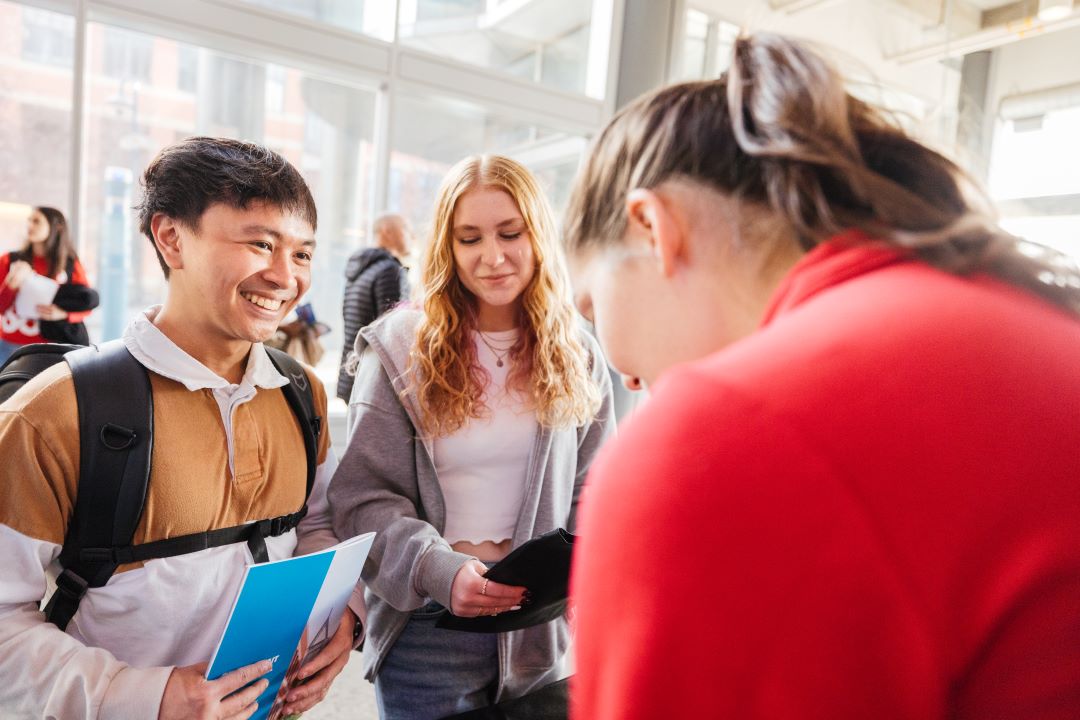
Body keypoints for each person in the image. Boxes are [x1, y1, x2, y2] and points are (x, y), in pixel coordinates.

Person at [563, 33, 1080, 720]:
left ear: (651, 228)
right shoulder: (1020, 320)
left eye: (591, 304)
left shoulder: (730, 434)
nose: (624, 378)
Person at [0, 137, 360, 719]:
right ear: (171, 238)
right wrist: (147, 697)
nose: (284, 277)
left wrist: (339, 613)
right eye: (261, 244)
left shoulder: (300, 394)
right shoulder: (57, 411)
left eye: (302, 254)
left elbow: (317, 524)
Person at [329, 154, 614, 720]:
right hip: (430, 631)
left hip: (540, 631)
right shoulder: (398, 350)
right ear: (446, 247)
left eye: (511, 233)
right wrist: (438, 569)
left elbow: (596, 490)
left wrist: (592, 578)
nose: (493, 256)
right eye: (469, 238)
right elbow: (360, 501)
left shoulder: (577, 353)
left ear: (538, 235)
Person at [0, 207, 95, 363]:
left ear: (56, 227)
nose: (30, 225)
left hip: (52, 345)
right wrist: (12, 284)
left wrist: (65, 314)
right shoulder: (9, 260)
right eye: (29, 220)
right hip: (10, 344)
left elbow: (86, 303)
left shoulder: (69, 263)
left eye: (36, 221)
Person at [336, 212, 411, 401]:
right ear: (387, 231)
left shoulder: (361, 269)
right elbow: (393, 334)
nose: (412, 236)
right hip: (374, 383)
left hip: (351, 374)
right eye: (406, 230)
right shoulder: (389, 270)